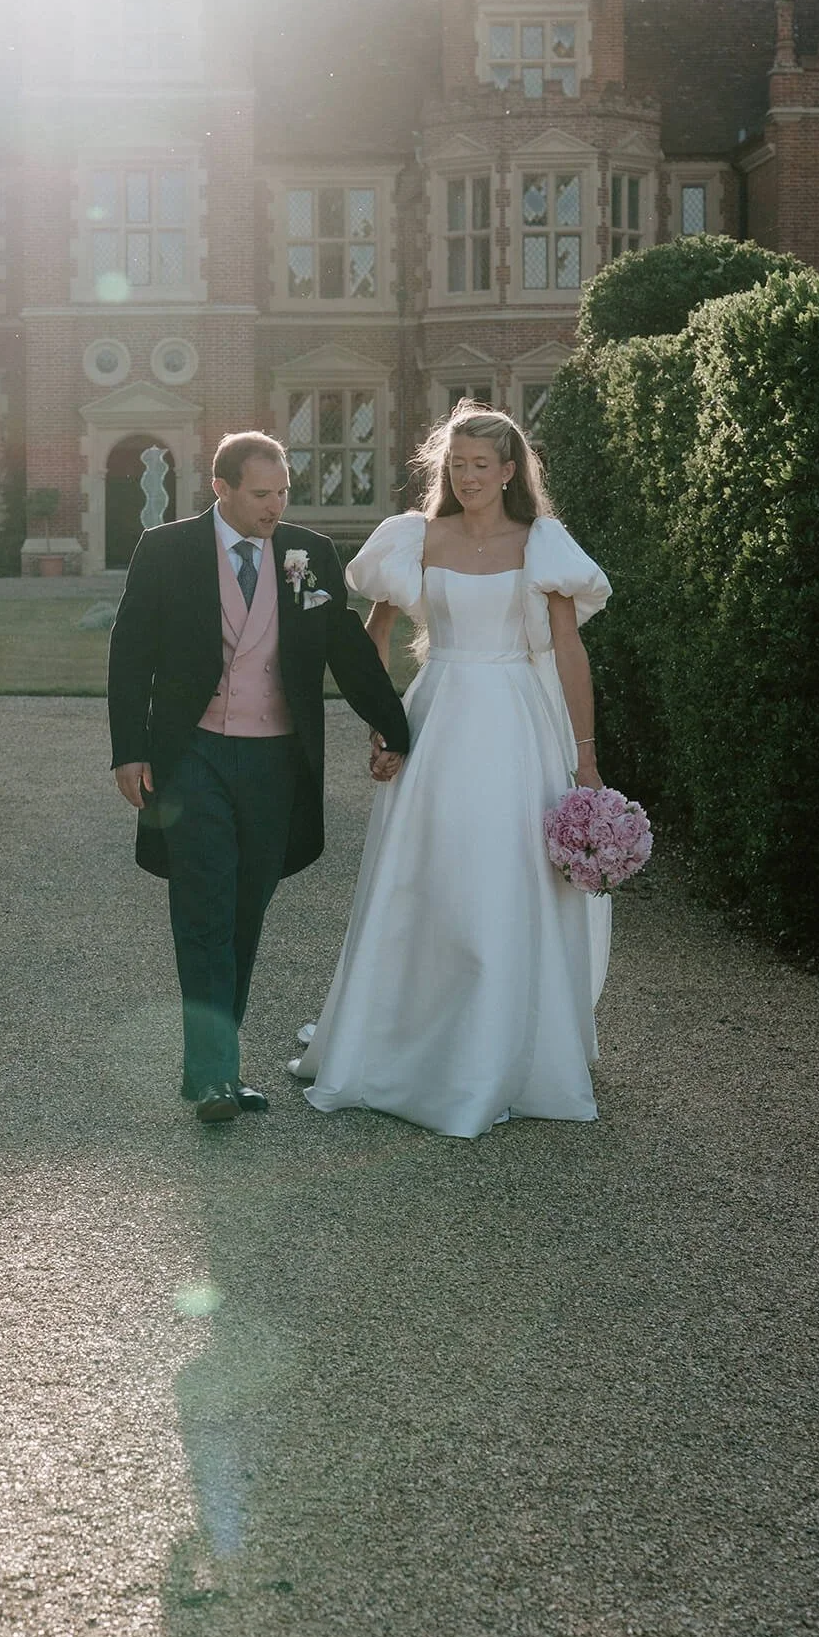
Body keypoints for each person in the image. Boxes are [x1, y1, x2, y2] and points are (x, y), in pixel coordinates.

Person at [290, 402, 612, 1138]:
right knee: (429, 870)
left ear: (508, 472)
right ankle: (414, 1035)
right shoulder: (413, 539)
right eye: (456, 465)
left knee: (507, 875)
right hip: (436, 716)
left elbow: (568, 650)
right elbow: (373, 639)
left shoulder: (543, 543)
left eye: (481, 465)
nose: (467, 477)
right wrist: (381, 727)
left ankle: (505, 1051)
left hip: (519, 722)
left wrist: (586, 757)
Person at [108, 430, 412, 1124]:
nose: (276, 506)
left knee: (245, 912)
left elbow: (348, 649)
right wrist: (130, 750)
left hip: (278, 760)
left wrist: (394, 726)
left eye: (283, 493)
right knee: (205, 908)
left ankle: (211, 1068)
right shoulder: (165, 551)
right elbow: (130, 655)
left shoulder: (310, 554)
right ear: (221, 488)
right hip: (195, 756)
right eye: (261, 493)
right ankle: (216, 1076)